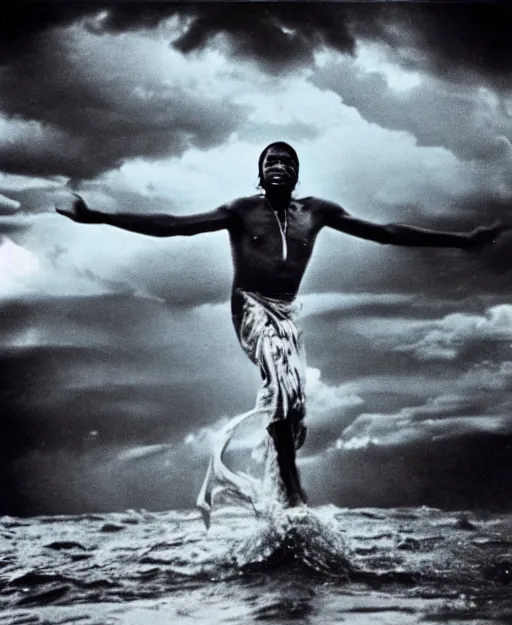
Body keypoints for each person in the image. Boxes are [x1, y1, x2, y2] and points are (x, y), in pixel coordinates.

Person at [56, 141, 506, 509]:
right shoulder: (241, 210)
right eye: (271, 160)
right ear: (261, 171)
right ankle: (292, 486)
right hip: (249, 307)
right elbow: (174, 225)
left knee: (292, 404)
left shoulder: (316, 212)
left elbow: (386, 232)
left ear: (296, 173)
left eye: (287, 161)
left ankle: (278, 490)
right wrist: (96, 215)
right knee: (278, 377)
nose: (279, 166)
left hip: (287, 311)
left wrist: (461, 241)